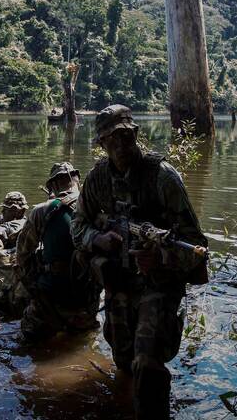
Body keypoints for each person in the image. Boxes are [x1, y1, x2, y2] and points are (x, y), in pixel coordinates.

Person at [71, 105, 209, 419]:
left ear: (135, 134)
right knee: (123, 361)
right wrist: (98, 239)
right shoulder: (96, 180)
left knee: (146, 362)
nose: (120, 144)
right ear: (102, 143)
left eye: (125, 135)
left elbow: (197, 245)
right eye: (111, 138)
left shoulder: (162, 177)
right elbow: (77, 225)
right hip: (120, 280)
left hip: (158, 281)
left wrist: (160, 256)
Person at [16, 162, 102, 342]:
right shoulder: (98, 208)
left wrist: (34, 287)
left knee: (27, 341)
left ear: (53, 185)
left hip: (50, 301)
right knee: (85, 340)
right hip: (87, 302)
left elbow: (23, 255)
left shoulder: (41, 211)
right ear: (78, 180)